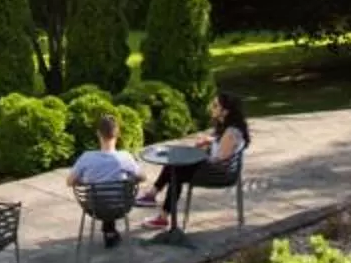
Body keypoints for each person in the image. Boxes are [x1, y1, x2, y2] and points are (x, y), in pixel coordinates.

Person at [145, 91, 250, 234]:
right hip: (213, 169)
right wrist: (209, 142)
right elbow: (220, 147)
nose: (211, 108)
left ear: (225, 112)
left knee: (176, 171)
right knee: (174, 164)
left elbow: (220, 158)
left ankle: (159, 211)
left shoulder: (231, 133)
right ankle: (154, 199)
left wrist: (199, 156)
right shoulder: (226, 128)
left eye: (215, 106)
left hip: (218, 173)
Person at [68, 112, 146, 247]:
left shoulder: (87, 157)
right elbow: (143, 177)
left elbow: (69, 182)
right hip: (120, 206)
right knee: (116, 190)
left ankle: (109, 232)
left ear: (98, 134)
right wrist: (129, 179)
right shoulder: (125, 157)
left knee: (102, 193)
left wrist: (83, 181)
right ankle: (110, 232)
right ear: (118, 134)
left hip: (94, 208)